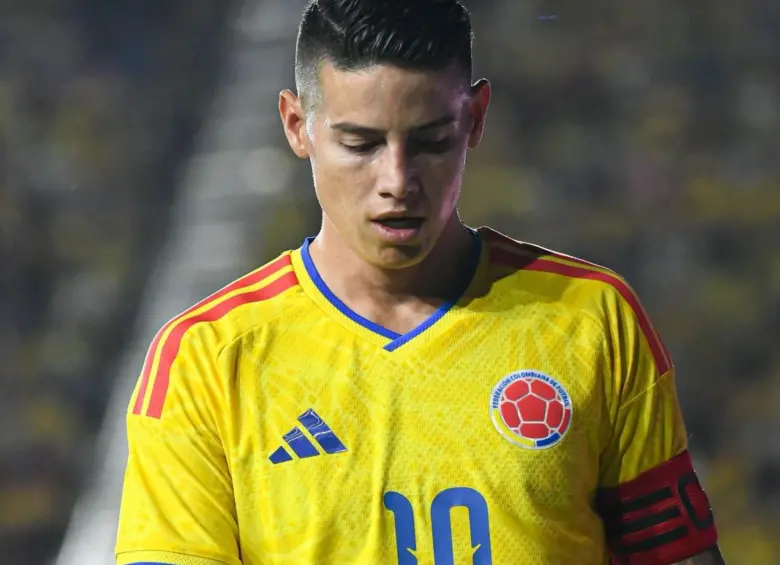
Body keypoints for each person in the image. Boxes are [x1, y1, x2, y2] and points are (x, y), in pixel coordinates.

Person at [114, 1, 725, 564]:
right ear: (298, 126)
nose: (398, 180)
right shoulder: (208, 360)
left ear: (476, 117)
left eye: (431, 141)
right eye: (361, 144)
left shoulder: (592, 319)